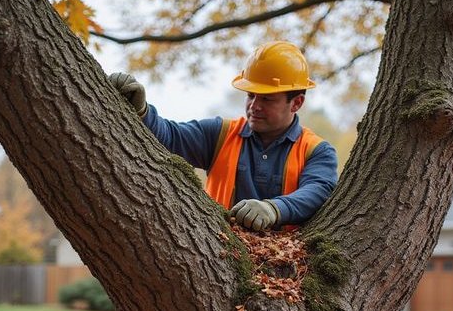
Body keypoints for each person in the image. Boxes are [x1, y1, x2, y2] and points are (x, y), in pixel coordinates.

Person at [109, 40, 338, 231]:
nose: (254, 106)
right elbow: (171, 136)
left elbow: (317, 191)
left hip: (286, 271)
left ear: (296, 102)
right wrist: (142, 112)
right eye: (251, 95)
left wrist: (273, 209)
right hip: (218, 257)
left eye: (267, 99)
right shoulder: (220, 134)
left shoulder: (317, 151)